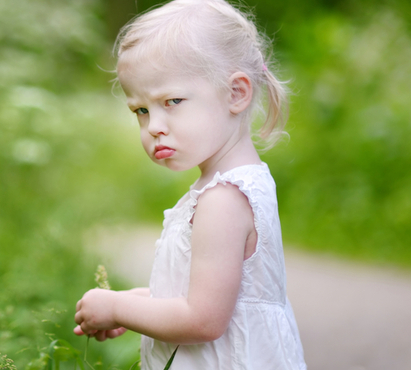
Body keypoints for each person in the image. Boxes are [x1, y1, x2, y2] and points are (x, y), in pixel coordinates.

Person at [73, 0, 306, 369]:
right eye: (141, 110)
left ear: (236, 93)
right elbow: (208, 291)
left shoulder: (224, 199)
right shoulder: (231, 184)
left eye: (172, 101)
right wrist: (130, 307)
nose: (154, 126)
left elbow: (203, 319)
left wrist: (117, 306)